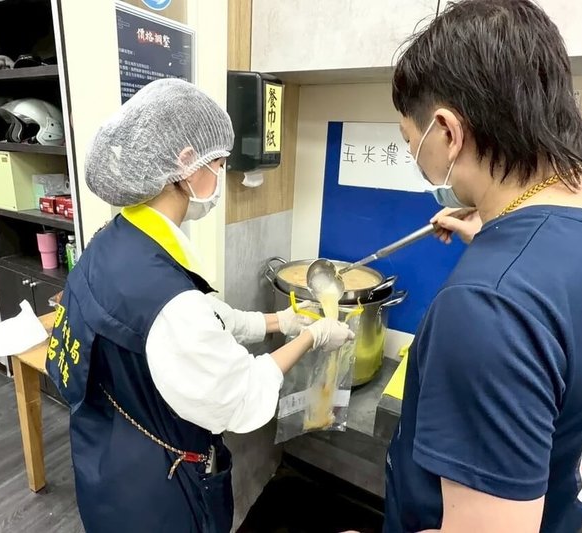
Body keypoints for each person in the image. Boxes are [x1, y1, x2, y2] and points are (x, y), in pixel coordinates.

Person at [384, 1, 582, 532]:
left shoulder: (488, 305)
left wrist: (504, 274)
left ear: (448, 132)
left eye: (412, 143)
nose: (418, 158)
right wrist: (505, 251)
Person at [45, 78, 354, 533]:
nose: (223, 177)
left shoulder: (113, 242)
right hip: (159, 493)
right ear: (186, 164)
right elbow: (245, 393)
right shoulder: (169, 303)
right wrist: (311, 336)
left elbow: (195, 318)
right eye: (221, 163)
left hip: (105, 457)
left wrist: (278, 320)